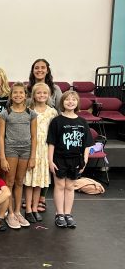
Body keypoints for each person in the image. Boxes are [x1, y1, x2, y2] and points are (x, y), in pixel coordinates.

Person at [47, 91, 93, 228]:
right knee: (60, 186)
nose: (70, 102)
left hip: (76, 159)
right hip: (59, 158)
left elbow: (87, 145)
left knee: (70, 186)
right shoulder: (57, 121)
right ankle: (59, 214)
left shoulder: (82, 122)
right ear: (62, 102)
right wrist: (50, 161)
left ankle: (68, 213)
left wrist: (85, 160)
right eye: (67, 99)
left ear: (77, 103)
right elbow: (51, 143)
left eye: (73, 99)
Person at [0, 82, 37, 229]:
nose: (18, 95)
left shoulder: (31, 114)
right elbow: (1, 137)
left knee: (20, 181)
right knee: (10, 182)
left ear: (26, 96)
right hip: (11, 150)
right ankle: (10, 214)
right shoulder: (5, 113)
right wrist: (2, 157)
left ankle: (17, 212)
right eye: (15, 93)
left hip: (26, 151)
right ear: (11, 95)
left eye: (21, 93)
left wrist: (32, 156)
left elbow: (34, 137)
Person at [27, 58, 62, 213]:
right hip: (32, 139)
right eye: (36, 67)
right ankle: (29, 203)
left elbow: (61, 112)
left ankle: (41, 199)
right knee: (30, 172)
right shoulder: (27, 88)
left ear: (47, 70)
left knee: (43, 170)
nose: (39, 70)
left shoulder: (55, 89)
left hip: (47, 137)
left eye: (43, 67)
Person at [24, 83, 58, 223]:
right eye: (39, 93)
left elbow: (54, 133)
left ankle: (34, 208)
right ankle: (27, 210)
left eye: (45, 93)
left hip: (44, 151)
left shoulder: (52, 112)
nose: (42, 95)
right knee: (29, 181)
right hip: (30, 149)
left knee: (38, 182)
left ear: (49, 95)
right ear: (34, 95)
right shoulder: (28, 110)